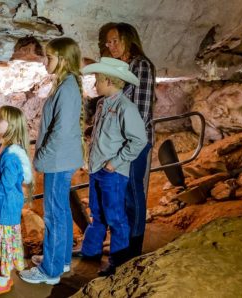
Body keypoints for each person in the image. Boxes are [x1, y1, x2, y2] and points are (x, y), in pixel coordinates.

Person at [20, 37, 85, 285]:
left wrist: (42, 158)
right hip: (62, 158)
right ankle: (60, 258)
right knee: (62, 212)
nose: (45, 61)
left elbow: (60, 130)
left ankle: (50, 270)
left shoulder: (67, 88)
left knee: (54, 215)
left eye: (49, 57)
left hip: (57, 160)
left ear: (64, 59)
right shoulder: (66, 84)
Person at [78, 57, 147, 276]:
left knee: (116, 217)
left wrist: (115, 162)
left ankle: (118, 260)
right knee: (97, 214)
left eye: (97, 80)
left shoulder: (126, 108)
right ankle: (91, 251)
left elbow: (139, 140)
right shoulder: (102, 104)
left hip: (113, 172)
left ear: (109, 81)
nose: (94, 84)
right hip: (98, 168)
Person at [100, 22, 157, 258]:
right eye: (108, 42)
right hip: (119, 145)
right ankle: (121, 249)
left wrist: (125, 147)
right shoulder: (121, 69)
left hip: (133, 145)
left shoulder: (140, 67)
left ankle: (131, 252)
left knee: (132, 195)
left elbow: (141, 113)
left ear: (128, 40)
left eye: (115, 41)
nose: (110, 46)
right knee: (120, 197)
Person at [0, 106, 33, 296]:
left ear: (11, 125)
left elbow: (6, 185)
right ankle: (2, 277)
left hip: (6, 205)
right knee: (0, 239)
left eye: (1, 119)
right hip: (4, 204)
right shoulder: (6, 148)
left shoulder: (10, 156)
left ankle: (3, 281)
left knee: (4, 242)